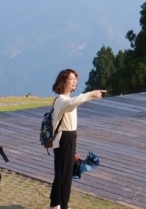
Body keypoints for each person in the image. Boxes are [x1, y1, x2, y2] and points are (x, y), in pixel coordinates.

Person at [49, 69, 105, 209]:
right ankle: (62, 205)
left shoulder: (66, 100)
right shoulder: (62, 100)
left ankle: (55, 204)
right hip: (64, 139)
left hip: (69, 139)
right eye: (71, 79)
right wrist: (90, 94)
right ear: (63, 81)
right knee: (64, 176)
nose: (75, 81)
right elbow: (72, 103)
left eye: (75, 79)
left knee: (63, 174)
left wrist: (73, 151)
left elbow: (72, 104)